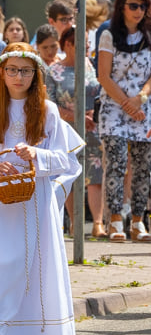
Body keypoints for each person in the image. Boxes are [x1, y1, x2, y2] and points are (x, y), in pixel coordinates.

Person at [0, 43, 79, 335]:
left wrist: (37, 155)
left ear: (35, 74)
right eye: (12, 70)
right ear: (2, 72)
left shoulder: (48, 110)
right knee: (5, 266)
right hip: (5, 203)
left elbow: (66, 159)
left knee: (36, 270)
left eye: (25, 71)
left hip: (37, 200)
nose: (18, 76)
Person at [96, 0, 151, 241]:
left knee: (143, 167)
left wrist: (141, 98)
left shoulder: (149, 33)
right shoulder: (109, 34)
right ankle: (115, 220)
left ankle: (138, 221)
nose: (138, 11)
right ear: (122, 7)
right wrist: (127, 103)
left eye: (143, 6)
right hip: (114, 108)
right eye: (133, 6)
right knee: (116, 164)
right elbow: (103, 76)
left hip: (143, 106)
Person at [44, 26, 104, 237]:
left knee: (96, 175)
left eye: (88, 44)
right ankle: (74, 224)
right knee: (68, 174)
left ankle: (98, 223)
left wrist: (91, 113)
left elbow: (100, 94)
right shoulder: (53, 71)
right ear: (68, 44)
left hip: (93, 128)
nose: (87, 48)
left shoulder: (91, 66)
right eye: (83, 44)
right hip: (66, 129)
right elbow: (49, 103)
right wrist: (77, 115)